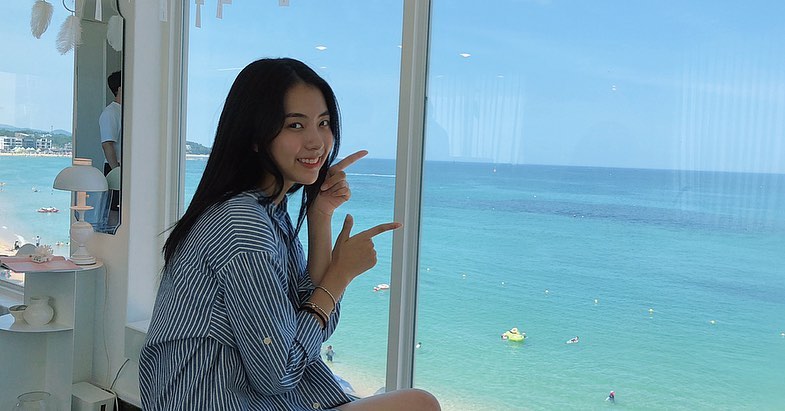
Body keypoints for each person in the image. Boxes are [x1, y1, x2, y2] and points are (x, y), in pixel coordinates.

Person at [139, 58, 440, 411]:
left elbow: (312, 321)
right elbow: (277, 373)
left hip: (262, 399)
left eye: (323, 123)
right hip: (229, 402)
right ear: (255, 137)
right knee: (420, 404)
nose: (317, 142)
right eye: (295, 125)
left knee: (419, 403)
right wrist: (340, 275)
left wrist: (320, 214)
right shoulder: (242, 224)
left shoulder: (269, 211)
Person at [99, 70, 122, 229]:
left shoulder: (127, 112)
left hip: (124, 168)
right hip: (115, 167)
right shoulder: (110, 112)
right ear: (120, 88)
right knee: (114, 209)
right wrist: (116, 171)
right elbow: (107, 143)